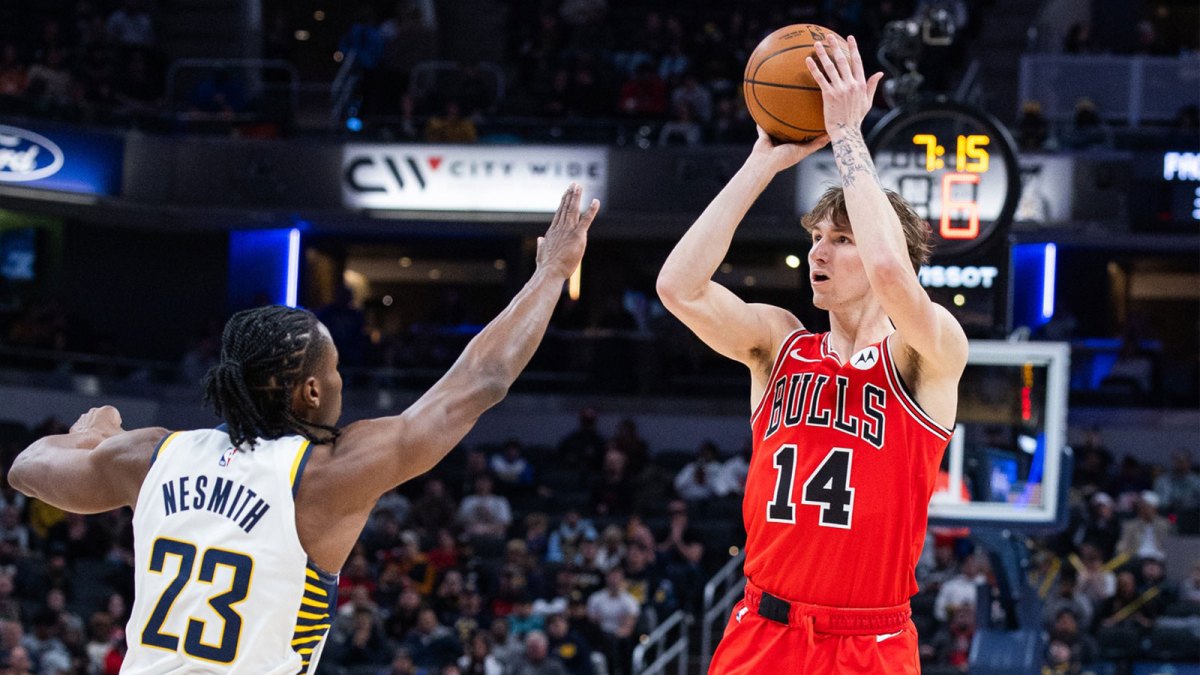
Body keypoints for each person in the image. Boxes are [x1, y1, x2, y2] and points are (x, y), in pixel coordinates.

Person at [7, 184, 600, 674]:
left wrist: (91, 436)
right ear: (312, 390)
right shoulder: (324, 475)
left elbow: (27, 469)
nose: (342, 383)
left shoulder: (149, 455)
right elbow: (480, 382)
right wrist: (550, 274)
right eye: (336, 369)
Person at [656, 34, 967, 674]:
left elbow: (888, 267)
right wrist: (761, 164)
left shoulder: (926, 350)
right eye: (817, 237)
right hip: (762, 630)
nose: (818, 253)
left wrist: (848, 134)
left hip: (869, 642)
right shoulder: (779, 342)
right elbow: (677, 287)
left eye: (841, 239)